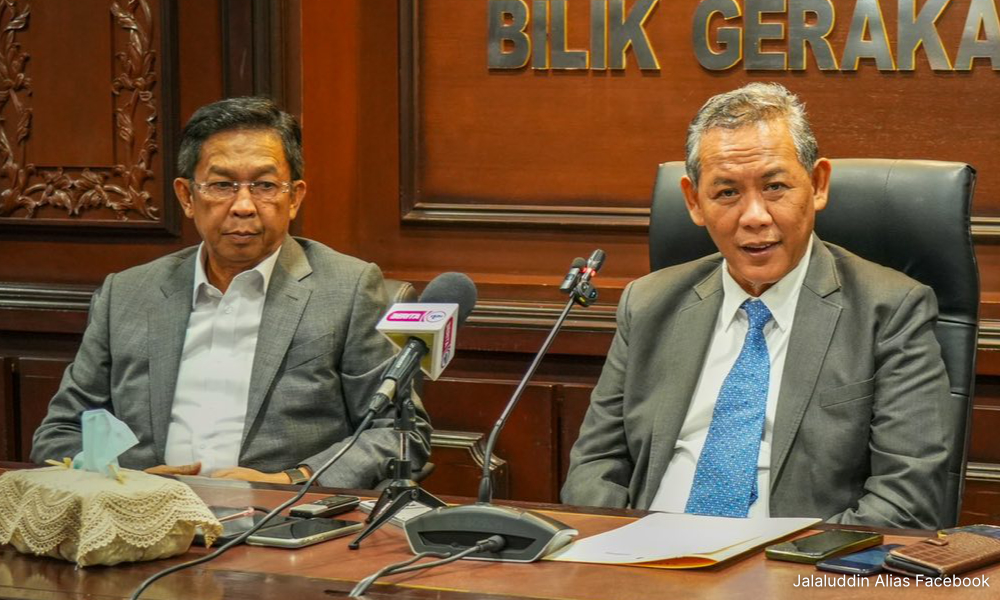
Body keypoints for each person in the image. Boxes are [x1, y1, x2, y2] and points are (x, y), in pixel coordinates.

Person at [561, 83, 950, 529]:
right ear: (694, 201)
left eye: (775, 186)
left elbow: (905, 500)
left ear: (818, 185)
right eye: (727, 193)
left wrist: (778, 562)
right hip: (645, 553)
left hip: (795, 560)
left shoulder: (890, 310)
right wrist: (618, 547)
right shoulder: (649, 303)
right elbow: (595, 465)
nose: (754, 216)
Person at [30, 97, 431, 488]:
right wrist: (128, 483)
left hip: (280, 517)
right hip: (141, 513)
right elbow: (61, 432)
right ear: (187, 196)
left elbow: (396, 432)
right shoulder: (128, 293)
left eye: (265, 185)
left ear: (294, 197)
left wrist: (288, 481)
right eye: (222, 185)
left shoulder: (347, 289)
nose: (243, 205)